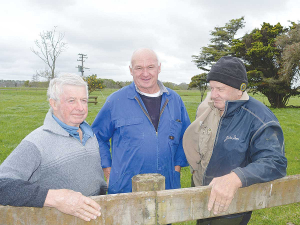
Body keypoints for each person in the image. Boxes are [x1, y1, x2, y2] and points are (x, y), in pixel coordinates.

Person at [183, 56, 287, 225]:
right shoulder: (208, 107)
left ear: (240, 89)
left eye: (220, 89)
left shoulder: (260, 118)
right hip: (202, 194)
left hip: (230, 206)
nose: (213, 95)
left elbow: (275, 162)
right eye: (211, 88)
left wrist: (236, 177)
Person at [0, 74, 107, 222]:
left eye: (84, 100)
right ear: (53, 103)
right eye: (71, 101)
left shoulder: (90, 135)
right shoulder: (36, 143)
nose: (81, 108)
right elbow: (2, 184)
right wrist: (56, 198)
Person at [92, 48, 191, 194]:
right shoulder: (115, 101)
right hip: (126, 189)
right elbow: (97, 137)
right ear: (131, 70)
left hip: (167, 187)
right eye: (139, 68)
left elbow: (186, 136)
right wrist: (107, 169)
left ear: (159, 68)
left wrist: (177, 167)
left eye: (150, 67)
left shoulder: (175, 100)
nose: (145, 73)